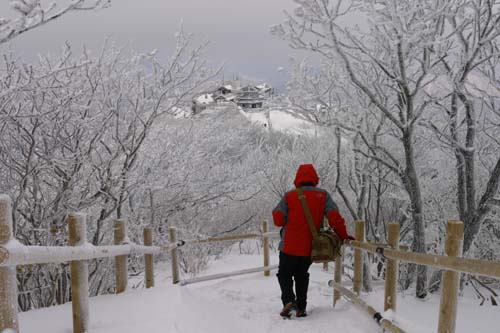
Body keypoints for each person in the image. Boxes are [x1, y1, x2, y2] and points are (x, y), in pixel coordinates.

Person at [272, 164, 354, 318]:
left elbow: (277, 219)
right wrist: (343, 235)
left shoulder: (289, 196)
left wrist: (289, 218)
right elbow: (335, 218)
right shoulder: (323, 196)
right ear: (315, 178)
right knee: (302, 275)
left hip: (289, 246)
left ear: (297, 179)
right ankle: (301, 307)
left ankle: (289, 301)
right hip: (310, 247)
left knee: (284, 274)